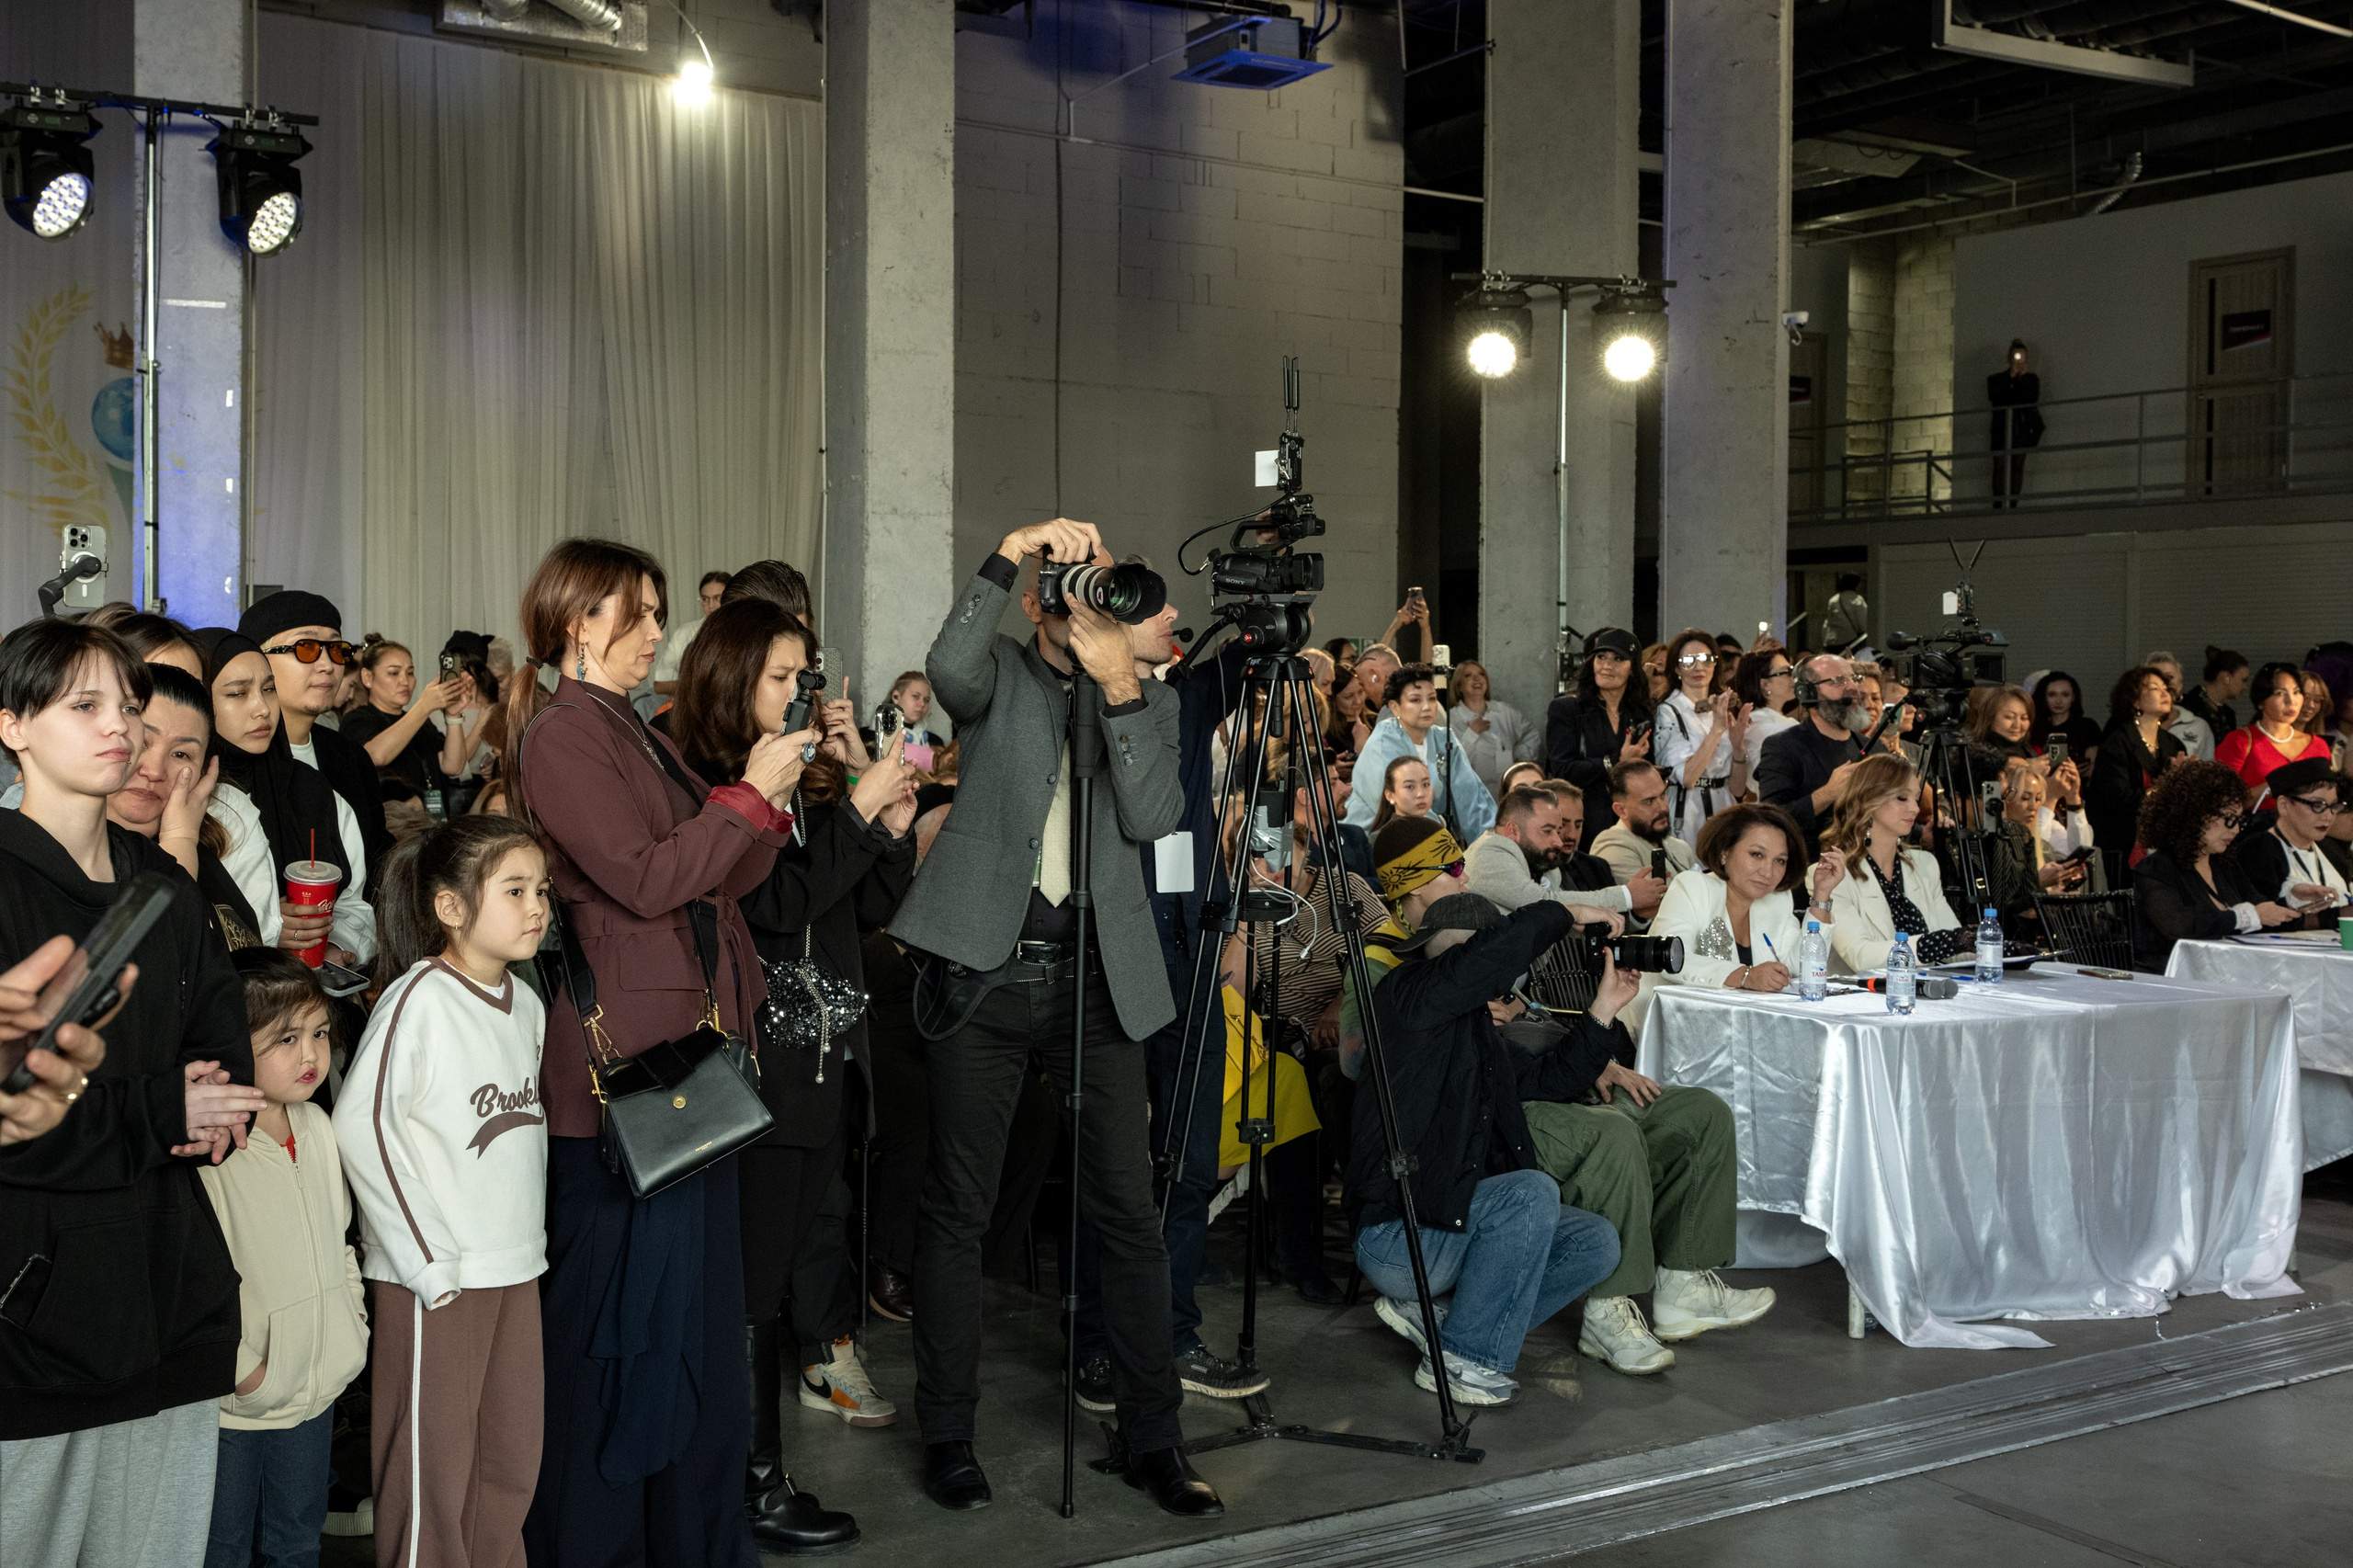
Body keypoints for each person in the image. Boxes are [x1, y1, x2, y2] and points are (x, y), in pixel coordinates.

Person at [884, 517, 1220, 1518]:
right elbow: (946, 665)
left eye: (1101, 591)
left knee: (1126, 1209)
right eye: (1068, 589)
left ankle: (1154, 1436)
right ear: (1041, 601)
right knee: (958, 1207)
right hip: (987, 976)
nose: (1087, 606)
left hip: (1098, 981)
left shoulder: (1151, 702)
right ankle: (948, 1431)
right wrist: (1012, 544)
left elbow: (1155, 816)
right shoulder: (996, 674)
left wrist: (1119, 683)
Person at [501, 538, 803, 1567]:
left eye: (658, 613)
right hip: (624, 1072)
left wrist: (772, 786)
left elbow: (726, 875)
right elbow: (640, 878)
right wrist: (747, 797)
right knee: (621, 1337)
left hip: (685, 1056)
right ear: (578, 620)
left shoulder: (625, 726)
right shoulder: (561, 735)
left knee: (693, 1334)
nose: (656, 634)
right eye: (637, 615)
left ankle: (690, 1539)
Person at [0, 618, 264, 1564]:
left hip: (171, 1293)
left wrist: (205, 1109)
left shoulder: (163, 885)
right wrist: (159, 1108)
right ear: (12, 725)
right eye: (85, 705)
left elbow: (222, 1059)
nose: (123, 729)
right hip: (34, 1313)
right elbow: (15, 1119)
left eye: (129, 706)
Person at [672, 597, 919, 1550]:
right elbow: (774, 904)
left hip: (828, 1059)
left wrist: (885, 824)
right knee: (751, 1287)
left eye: (804, 673)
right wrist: (852, 813)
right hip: (760, 1066)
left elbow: (860, 907)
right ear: (733, 678)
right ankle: (751, 1484)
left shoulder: (804, 770)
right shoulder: (710, 780)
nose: (800, 691)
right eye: (783, 675)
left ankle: (749, 1477)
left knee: (774, 1279)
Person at [336, 816, 551, 1568]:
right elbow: (362, 1127)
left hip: (515, 1267)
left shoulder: (526, 1002)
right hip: (438, 1279)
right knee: (435, 1474)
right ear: (451, 908)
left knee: (509, 1461)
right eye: (515, 890)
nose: (537, 908)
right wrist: (428, 1262)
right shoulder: (418, 998)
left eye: (542, 891)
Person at [1342, 888, 1621, 1404]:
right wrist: (1568, 914)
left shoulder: (1479, 1036)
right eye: (1478, 959)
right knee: (1530, 1192)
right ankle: (1464, 1359)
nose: (1495, 978)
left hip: (1449, 1224)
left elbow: (1552, 1078)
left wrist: (1604, 1009)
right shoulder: (1408, 996)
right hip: (1397, 1235)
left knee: (1595, 1241)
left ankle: (1446, 1324)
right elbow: (1479, 962)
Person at [199, 949, 369, 1568]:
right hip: (238, 1407)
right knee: (222, 1548)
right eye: (287, 1039)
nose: (311, 1056)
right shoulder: (213, 1150)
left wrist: (349, 1325)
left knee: (297, 1541)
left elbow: (342, 1237)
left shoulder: (318, 1126)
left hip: (317, 1388)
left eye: (320, 1033)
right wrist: (244, 1369)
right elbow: (198, 1278)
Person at [196, 630, 380, 971]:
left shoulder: (313, 792)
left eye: (269, 689)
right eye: (238, 693)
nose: (262, 709)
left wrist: (334, 943)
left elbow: (353, 903)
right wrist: (262, 926)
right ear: (199, 704)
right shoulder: (185, 798)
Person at [106, 662, 263, 949]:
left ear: (204, 773)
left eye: (181, 754)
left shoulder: (206, 856)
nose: (155, 771)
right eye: (142, 743)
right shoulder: (61, 855)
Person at [240, 591, 393, 881]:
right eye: (306, 647)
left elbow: (378, 860)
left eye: (336, 650)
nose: (327, 665)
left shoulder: (350, 757)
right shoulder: (235, 761)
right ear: (257, 661)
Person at [1647, 804, 1843, 1015]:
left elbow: (1801, 968)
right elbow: (1669, 957)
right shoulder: (1692, 887)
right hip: (1674, 1021)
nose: (1768, 872)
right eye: (1757, 855)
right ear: (1725, 852)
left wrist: (1822, 894)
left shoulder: (1778, 899)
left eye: (1780, 860)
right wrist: (1745, 975)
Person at [2131, 760, 2298, 971]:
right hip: (2171, 982)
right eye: (2229, 819)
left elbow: (2261, 909)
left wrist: (2294, 902)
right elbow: (2179, 926)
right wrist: (2244, 917)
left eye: (2239, 821)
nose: (2236, 830)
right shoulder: (2155, 869)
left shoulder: (2225, 866)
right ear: (2195, 815)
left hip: (2226, 974)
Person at [1817, 755, 1966, 972]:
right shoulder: (1831, 874)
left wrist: (1990, 947)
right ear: (1870, 799)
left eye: (1916, 799)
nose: (1915, 809)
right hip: (1864, 999)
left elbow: (1955, 945)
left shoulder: (1925, 865)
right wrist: (1931, 945)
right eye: (1902, 798)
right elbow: (1860, 956)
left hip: (1926, 991)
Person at [1347, 663, 1495, 841]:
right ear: (1395, 707)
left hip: (1429, 834)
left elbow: (1471, 795)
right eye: (1416, 700)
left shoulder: (1444, 739)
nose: (1427, 706)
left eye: (1432, 699)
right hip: (1374, 838)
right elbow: (1401, 806)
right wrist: (1442, 841)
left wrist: (1489, 843)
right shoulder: (1382, 743)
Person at [1462, 783, 1631, 930]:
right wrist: (1626, 895)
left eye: (1557, 831)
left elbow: (1560, 919)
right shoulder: (1489, 853)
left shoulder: (1539, 863)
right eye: (1547, 831)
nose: (1558, 842)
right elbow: (1543, 904)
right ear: (1512, 830)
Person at [1543, 628, 1653, 852]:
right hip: (1580, 824)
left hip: (1627, 824)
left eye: (1618, 659)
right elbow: (1562, 769)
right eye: (1601, 657)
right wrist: (1615, 761)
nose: (1607, 665)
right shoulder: (1567, 708)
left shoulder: (1640, 714)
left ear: (1632, 669)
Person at [1756, 653, 1869, 861]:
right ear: (1807, 692)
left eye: (1855, 678)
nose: (1853, 687)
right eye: (1839, 681)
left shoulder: (1873, 746)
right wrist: (1827, 794)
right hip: (1810, 869)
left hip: (1865, 868)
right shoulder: (1783, 747)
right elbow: (1772, 818)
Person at [341, 640, 478, 801]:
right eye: (394, 673)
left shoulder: (422, 722)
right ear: (367, 677)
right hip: (394, 823)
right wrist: (424, 706)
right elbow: (376, 756)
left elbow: (453, 767)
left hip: (431, 821)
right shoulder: (358, 719)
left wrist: (453, 716)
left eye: (410, 673)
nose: (405, 681)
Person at [1651, 628, 1751, 849]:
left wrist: (1738, 748)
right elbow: (1687, 777)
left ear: (1716, 665)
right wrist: (1717, 729)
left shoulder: (1722, 707)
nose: (1699, 667)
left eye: (1706, 659)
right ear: (1676, 668)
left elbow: (1737, 789)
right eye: (1688, 660)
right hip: (1688, 810)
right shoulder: (1669, 711)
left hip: (1724, 805)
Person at [2088, 665, 2188, 879]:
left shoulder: (2173, 744)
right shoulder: (2117, 743)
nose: (2165, 693)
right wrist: (2168, 782)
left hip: (2164, 843)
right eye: (2154, 688)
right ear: (2135, 700)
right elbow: (2121, 800)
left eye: (2166, 688)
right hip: (2123, 843)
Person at [2229, 758, 2348, 926]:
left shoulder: (2331, 850)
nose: (2327, 815)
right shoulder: (2258, 851)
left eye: (2333, 806)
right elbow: (2264, 918)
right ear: (2284, 805)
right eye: (2317, 805)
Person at [1591, 761, 1696, 919]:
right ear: (1621, 810)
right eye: (1648, 802)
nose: (1662, 807)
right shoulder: (1611, 844)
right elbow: (1652, 909)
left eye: (1662, 795)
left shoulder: (1680, 847)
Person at [2214, 662, 2325, 803]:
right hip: (2258, 823)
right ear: (2261, 701)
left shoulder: (2318, 746)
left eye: (2296, 692)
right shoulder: (2240, 740)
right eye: (2280, 693)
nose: (2291, 701)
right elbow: (2221, 800)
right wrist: (2278, 783)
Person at [1447, 659, 1538, 800]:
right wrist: (1472, 733)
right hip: (1472, 794)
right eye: (1468, 675)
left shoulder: (1504, 711)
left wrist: (1519, 762)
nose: (1476, 678)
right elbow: (1452, 760)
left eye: (1481, 674)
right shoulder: (1452, 719)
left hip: (1506, 792)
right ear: (1459, 686)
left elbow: (1531, 734)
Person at [654, 569, 735, 698]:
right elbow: (660, 685)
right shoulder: (685, 633)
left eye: (717, 598)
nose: (710, 605)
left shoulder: (744, 633)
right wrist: (696, 685)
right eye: (705, 599)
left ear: (731, 598)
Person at [1988, 338, 2042, 507]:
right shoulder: (1996, 379)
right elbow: (1994, 397)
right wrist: (2010, 376)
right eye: (2015, 355)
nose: (2018, 359)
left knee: (2018, 465)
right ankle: (1997, 504)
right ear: (2009, 357)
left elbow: (2032, 398)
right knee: (1999, 465)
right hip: (2001, 427)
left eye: (2021, 356)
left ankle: (2013, 504)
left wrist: (2021, 378)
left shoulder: (2031, 379)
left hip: (2022, 427)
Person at [1732, 648, 1798, 777]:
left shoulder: (1758, 721)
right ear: (1765, 684)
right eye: (1786, 672)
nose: (1793, 678)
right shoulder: (1773, 728)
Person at [2143, 651, 2215, 762]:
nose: (2164, 684)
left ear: (2180, 685)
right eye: (2157, 679)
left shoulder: (2199, 726)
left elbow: (2208, 772)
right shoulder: (2132, 724)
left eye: (2170, 677)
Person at [2030, 670, 2102, 767]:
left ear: (2073, 697)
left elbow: (2093, 766)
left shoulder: (2087, 727)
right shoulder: (2036, 729)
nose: (2058, 701)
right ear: (2044, 697)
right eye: (2052, 695)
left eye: (2065, 695)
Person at [1962, 683, 2040, 767]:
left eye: (2024, 718)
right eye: (2009, 717)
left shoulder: (2029, 753)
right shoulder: (1970, 755)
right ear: (1990, 717)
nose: (2017, 725)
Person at [2186, 647, 2249, 739]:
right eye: (2243, 680)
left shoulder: (2229, 715)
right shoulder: (2189, 706)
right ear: (2226, 677)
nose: (2245, 687)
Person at [1370, 753, 1433, 831]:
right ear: (1390, 795)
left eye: (1425, 784)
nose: (1421, 794)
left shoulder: (1438, 832)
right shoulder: (1382, 838)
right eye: (1410, 787)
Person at [1821, 573, 1870, 652]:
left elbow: (1828, 621)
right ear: (1855, 584)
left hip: (1832, 640)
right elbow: (1862, 620)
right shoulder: (1857, 599)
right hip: (1849, 639)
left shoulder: (1833, 599)